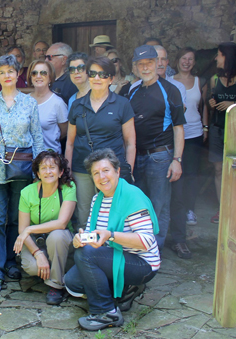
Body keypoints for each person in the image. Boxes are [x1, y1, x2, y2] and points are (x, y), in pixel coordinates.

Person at [65, 148, 160, 331]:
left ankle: (106, 312)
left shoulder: (132, 196)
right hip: (115, 257)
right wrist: (81, 239)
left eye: (106, 170)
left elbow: (147, 241)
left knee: (86, 256)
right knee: (73, 281)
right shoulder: (97, 199)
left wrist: (112, 236)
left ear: (117, 171)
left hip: (142, 263)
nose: (102, 177)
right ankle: (124, 290)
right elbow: (95, 237)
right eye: (96, 173)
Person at [0, 54, 45, 294]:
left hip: (22, 169)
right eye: (2, 72)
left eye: (10, 71)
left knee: (16, 220)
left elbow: (37, 138)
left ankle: (11, 262)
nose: (7, 75)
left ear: (18, 75)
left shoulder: (29, 103)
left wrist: (39, 170)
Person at [127, 45, 186, 252]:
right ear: (135, 67)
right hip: (137, 155)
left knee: (159, 206)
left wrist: (176, 160)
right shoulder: (132, 90)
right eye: (141, 64)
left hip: (160, 156)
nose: (145, 68)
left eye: (149, 63)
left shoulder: (170, 90)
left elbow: (179, 129)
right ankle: (140, 247)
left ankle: (155, 251)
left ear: (157, 63)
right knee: (138, 205)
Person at [66, 56, 136, 230]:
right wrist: (68, 170)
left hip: (111, 170)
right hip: (82, 169)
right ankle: (86, 254)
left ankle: (108, 253)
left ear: (111, 79)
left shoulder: (122, 104)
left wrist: (128, 170)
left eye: (103, 74)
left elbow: (130, 142)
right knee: (84, 214)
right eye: (93, 73)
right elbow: (70, 143)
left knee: (112, 215)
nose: (97, 78)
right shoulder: (77, 105)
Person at [13, 151, 77, 305]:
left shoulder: (68, 188)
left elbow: (61, 223)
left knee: (57, 235)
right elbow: (22, 229)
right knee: (32, 268)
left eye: (52, 167)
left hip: (61, 237)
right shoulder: (27, 193)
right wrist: (37, 254)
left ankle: (56, 285)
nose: (48, 171)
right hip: (37, 239)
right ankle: (54, 268)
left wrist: (28, 230)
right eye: (43, 168)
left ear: (61, 172)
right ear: (37, 173)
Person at [169, 47, 210, 259]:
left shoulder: (199, 81)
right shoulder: (170, 80)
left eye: (191, 59)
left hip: (193, 132)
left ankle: (189, 209)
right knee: (177, 174)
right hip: (176, 134)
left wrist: (205, 127)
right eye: (184, 59)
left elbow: (203, 106)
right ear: (177, 61)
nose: (187, 62)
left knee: (192, 173)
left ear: (194, 63)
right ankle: (175, 211)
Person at [208, 42, 236, 224]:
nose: (216, 58)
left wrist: (234, 106)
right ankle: (222, 209)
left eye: (219, 54)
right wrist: (212, 103)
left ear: (228, 57)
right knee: (218, 169)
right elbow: (212, 100)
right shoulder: (215, 79)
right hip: (218, 129)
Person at [28, 59, 68, 153]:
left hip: (50, 159)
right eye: (34, 73)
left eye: (43, 73)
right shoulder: (24, 101)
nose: (38, 76)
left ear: (50, 77)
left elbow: (64, 132)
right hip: (26, 159)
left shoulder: (58, 103)